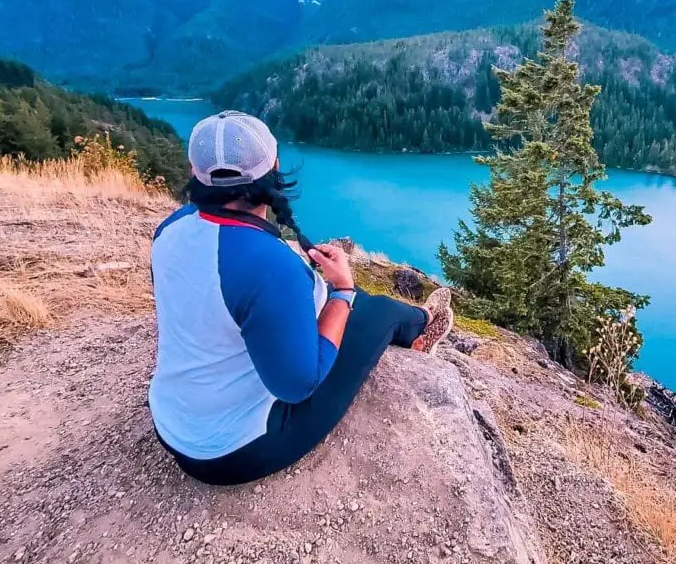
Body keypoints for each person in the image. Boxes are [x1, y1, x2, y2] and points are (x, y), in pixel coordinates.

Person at [148, 110, 454, 486]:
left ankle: (415, 328)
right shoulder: (270, 264)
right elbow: (298, 385)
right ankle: (421, 324)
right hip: (231, 453)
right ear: (274, 167)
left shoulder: (169, 229)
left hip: (170, 422)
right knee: (376, 310)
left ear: (195, 172)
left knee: (344, 308)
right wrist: (342, 289)